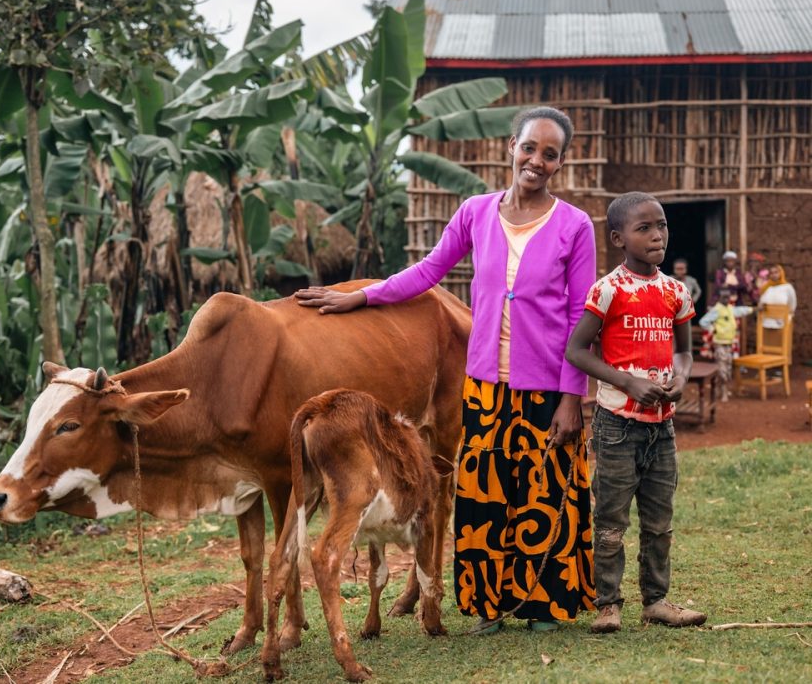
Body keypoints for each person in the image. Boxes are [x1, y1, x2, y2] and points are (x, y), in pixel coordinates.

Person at [296, 106, 596, 633]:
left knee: (544, 492)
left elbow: (580, 317)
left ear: (561, 162)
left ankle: (544, 606)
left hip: (547, 387)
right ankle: (489, 606)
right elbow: (430, 269)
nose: (537, 160)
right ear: (512, 147)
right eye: (530, 148)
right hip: (483, 386)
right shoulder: (477, 212)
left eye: (550, 154)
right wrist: (362, 296)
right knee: (485, 494)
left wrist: (573, 397)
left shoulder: (575, 226)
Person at [565, 192, 706, 634]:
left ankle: (657, 601)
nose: (656, 234)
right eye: (643, 228)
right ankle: (608, 604)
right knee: (610, 519)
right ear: (618, 238)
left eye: (660, 225)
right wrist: (627, 382)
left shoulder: (675, 291)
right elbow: (575, 350)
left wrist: (679, 382)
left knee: (659, 520)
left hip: (661, 429)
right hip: (615, 427)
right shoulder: (608, 290)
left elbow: (683, 353)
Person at [698, 287, 753, 401]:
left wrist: (754, 309)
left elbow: (741, 310)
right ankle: (723, 392)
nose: (726, 299)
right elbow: (703, 321)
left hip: (729, 343)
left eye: (728, 297)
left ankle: (719, 388)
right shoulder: (717, 309)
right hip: (719, 343)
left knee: (726, 368)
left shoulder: (730, 308)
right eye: (723, 297)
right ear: (719, 298)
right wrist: (712, 329)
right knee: (722, 368)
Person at [757, 263, 798, 358]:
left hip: (782, 322)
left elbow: (792, 304)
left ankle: (781, 366)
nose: (774, 275)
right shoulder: (767, 287)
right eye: (771, 273)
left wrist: (787, 317)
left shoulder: (788, 287)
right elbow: (761, 302)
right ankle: (767, 364)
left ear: (781, 273)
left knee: (782, 344)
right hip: (767, 322)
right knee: (767, 346)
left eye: (776, 272)